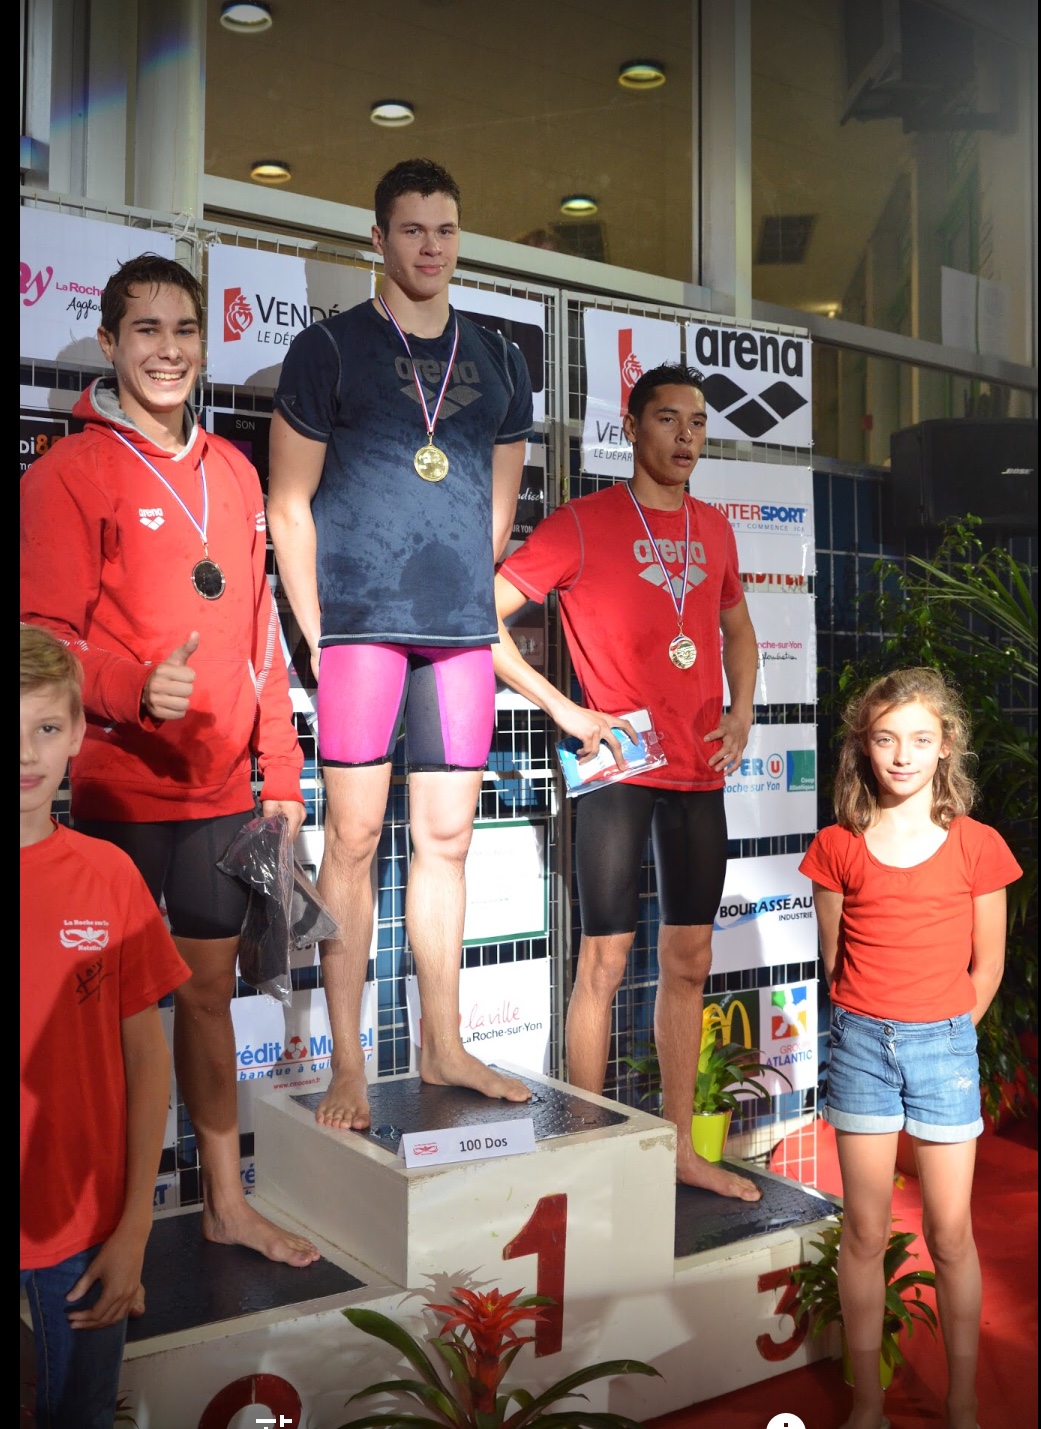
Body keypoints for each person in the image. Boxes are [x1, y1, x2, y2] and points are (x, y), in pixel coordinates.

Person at [20, 254, 318, 1268]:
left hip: (222, 795)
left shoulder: (233, 470)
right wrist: (132, 686)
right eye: (145, 329)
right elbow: (41, 641)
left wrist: (283, 770)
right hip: (119, 793)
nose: (167, 349)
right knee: (112, 1025)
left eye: (184, 328)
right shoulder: (66, 473)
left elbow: (261, 634)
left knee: (205, 999)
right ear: (109, 341)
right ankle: (109, 1228)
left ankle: (226, 1202)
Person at [267, 157, 535, 1129]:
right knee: (352, 838)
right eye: (412, 229)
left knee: (447, 841)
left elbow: (498, 505)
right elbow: (287, 503)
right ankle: (347, 1062)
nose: (430, 247)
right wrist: (317, 629)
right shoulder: (328, 348)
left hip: (458, 634)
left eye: (445, 230)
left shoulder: (500, 359)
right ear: (377, 238)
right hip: (361, 632)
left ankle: (443, 1042)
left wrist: (454, 581)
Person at [492, 363, 761, 1199]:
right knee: (603, 959)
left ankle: (679, 1148)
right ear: (632, 429)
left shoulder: (713, 528)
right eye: (668, 419)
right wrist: (564, 709)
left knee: (688, 957)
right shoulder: (581, 523)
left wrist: (743, 709)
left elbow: (738, 629)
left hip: (697, 768)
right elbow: (482, 617)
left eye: (698, 422)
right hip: (619, 765)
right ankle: (586, 1149)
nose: (686, 436)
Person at [800, 668, 1022, 1429]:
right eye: (886, 738)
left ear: (945, 745)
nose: (902, 755)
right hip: (860, 1046)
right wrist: (875, 1021)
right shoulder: (836, 845)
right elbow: (835, 959)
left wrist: (947, 1031)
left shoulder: (978, 845)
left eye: (920, 739)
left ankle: (962, 1403)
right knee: (864, 1231)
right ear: (862, 746)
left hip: (944, 1050)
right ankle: (867, 1404)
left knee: (950, 1234)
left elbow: (988, 967)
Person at [20, 625, 190, 1428]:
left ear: (79, 733)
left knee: (81, 1414)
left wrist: (134, 1228)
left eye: (46, 727)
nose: (26, 753)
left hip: (87, 1234)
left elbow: (148, 1060)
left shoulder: (110, 876)